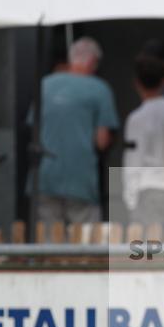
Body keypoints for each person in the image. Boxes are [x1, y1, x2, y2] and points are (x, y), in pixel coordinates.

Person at [36, 37, 118, 227]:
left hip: (45, 177)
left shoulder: (45, 85)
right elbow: (102, 140)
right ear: (91, 61)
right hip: (81, 180)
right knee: (85, 245)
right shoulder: (99, 89)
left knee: (50, 244)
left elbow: (35, 128)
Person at [122, 55, 164, 228]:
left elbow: (133, 161)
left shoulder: (138, 118)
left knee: (149, 250)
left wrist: (130, 199)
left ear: (137, 83)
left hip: (149, 190)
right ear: (163, 82)